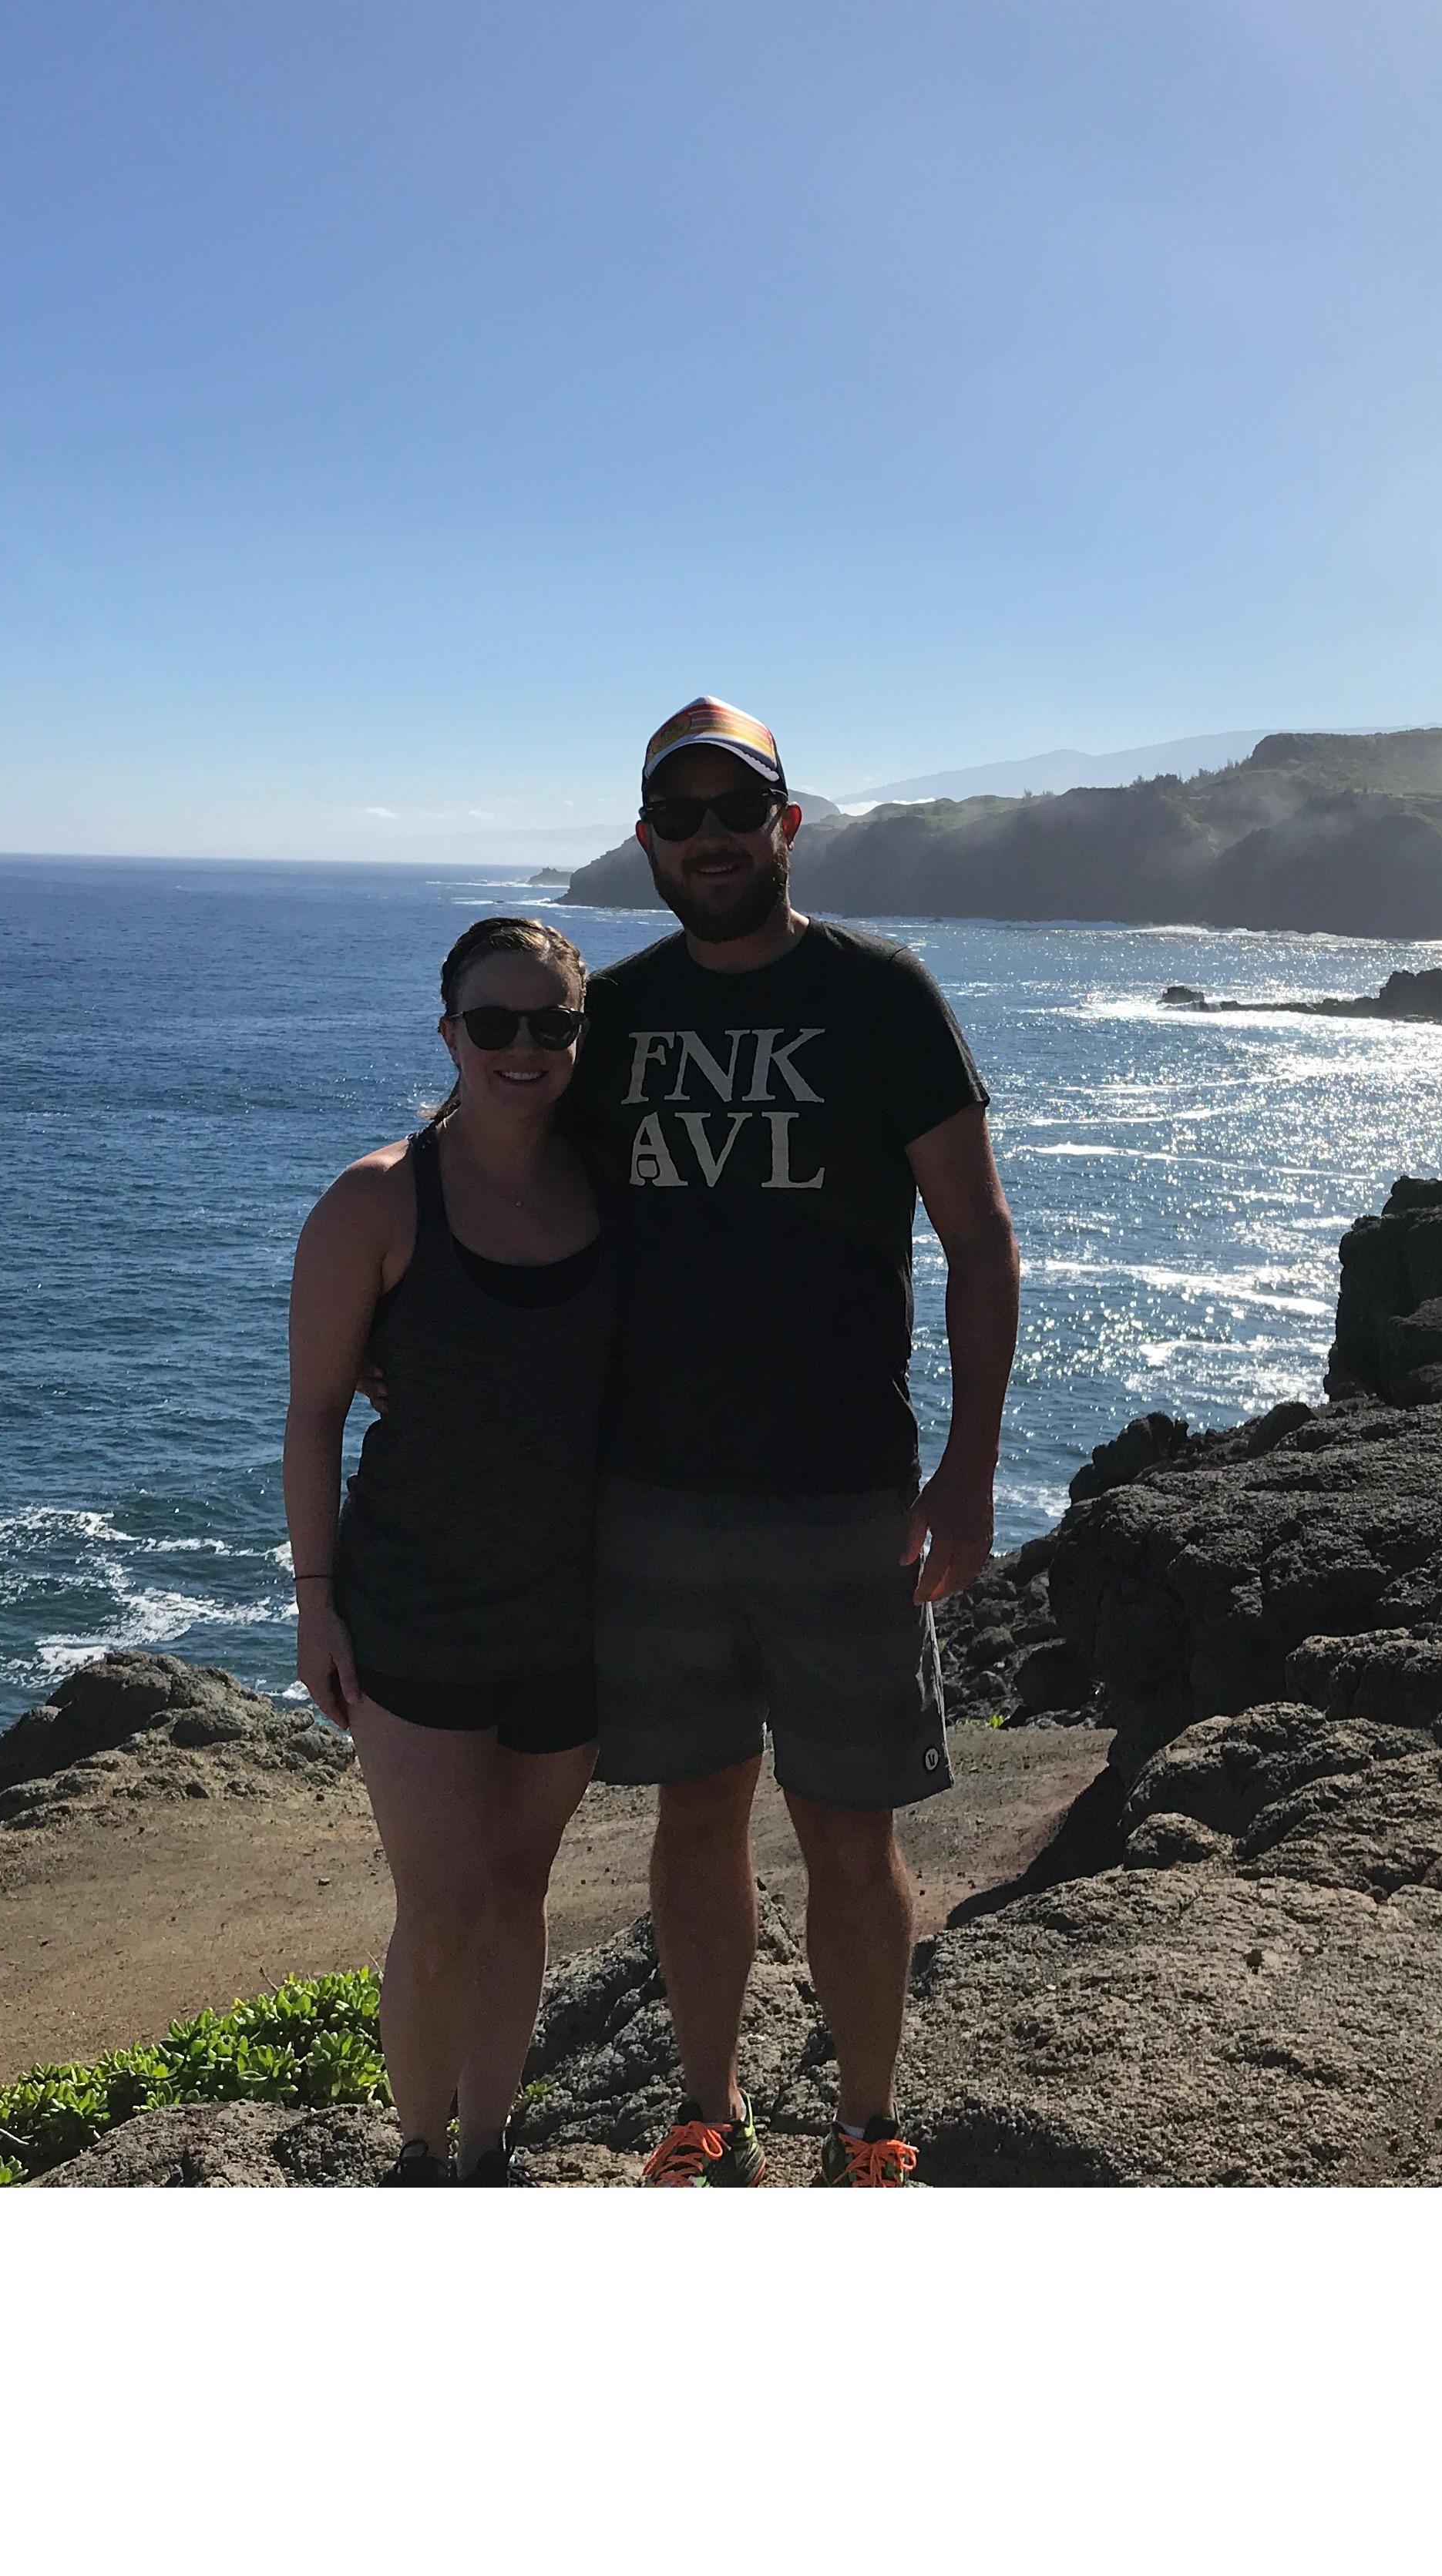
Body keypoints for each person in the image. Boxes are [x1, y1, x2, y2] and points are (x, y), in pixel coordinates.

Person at [573, 697, 1020, 2188]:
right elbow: (502, 1185)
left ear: (788, 821)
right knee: (696, 1818)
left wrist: (968, 1470)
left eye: (733, 810)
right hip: (653, 1498)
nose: (708, 839)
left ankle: (867, 2126)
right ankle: (710, 2111)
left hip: (845, 1495)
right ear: (649, 841)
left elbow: (979, 1239)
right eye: (679, 818)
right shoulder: (614, 1018)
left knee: (849, 1823)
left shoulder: (883, 998)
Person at [284, 916, 614, 2186]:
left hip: (569, 1610)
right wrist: (318, 1606)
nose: (522, 1047)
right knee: (441, 1908)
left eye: (552, 1024)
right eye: (494, 1023)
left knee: (520, 1891)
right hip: (415, 1604)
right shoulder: (377, 1200)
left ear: (579, 1038)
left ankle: (489, 2151)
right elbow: (313, 1418)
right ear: (449, 1035)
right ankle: (416, 2162)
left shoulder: (610, 1186)